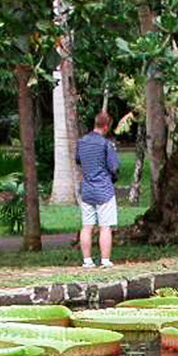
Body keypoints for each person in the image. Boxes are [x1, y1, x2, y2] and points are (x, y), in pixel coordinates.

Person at [75, 110, 120, 269]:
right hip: (104, 189)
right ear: (106, 126)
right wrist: (113, 178)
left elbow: (78, 160)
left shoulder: (82, 142)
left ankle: (87, 260)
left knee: (87, 226)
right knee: (105, 227)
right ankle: (105, 260)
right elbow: (114, 167)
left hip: (87, 190)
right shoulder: (106, 144)